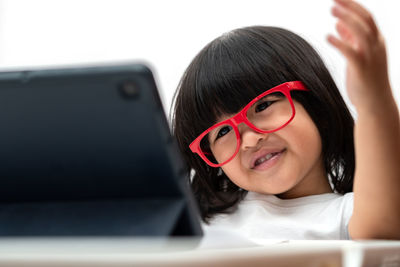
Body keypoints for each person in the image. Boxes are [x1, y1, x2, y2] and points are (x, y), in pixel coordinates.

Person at [171, 0, 400, 241]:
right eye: (222, 132)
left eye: (263, 106)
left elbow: (381, 228)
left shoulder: (347, 216)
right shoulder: (202, 219)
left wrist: (374, 101)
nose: (249, 140)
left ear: (317, 106)